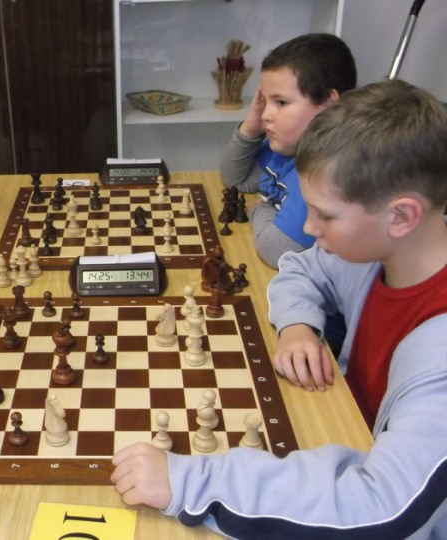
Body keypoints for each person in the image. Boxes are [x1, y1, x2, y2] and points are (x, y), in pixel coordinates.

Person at [111, 80, 447, 538]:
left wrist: (191, 482)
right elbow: (301, 268)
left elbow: (381, 510)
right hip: (343, 428)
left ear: (401, 216)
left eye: (325, 215)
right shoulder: (377, 255)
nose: (308, 227)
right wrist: (297, 325)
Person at [220, 33, 356, 269]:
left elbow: (276, 250)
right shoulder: (287, 147)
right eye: (264, 101)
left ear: (328, 103)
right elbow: (236, 180)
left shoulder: (327, 170)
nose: (266, 115)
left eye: (281, 102)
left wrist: (261, 208)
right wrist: (251, 127)